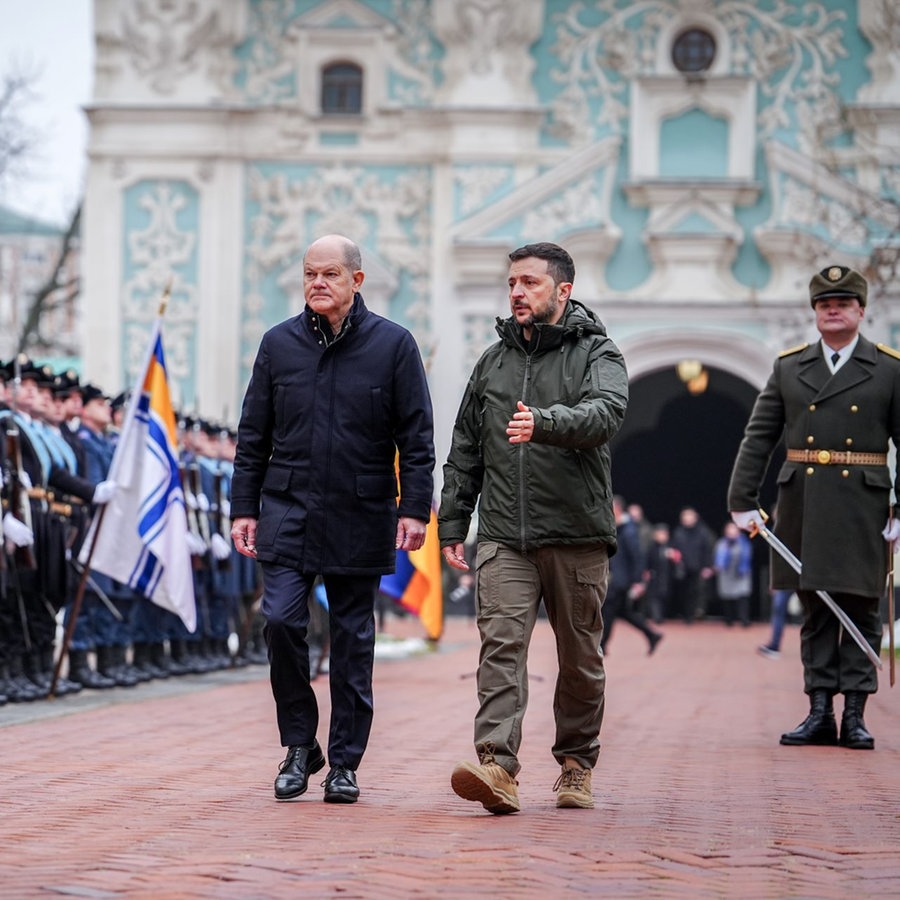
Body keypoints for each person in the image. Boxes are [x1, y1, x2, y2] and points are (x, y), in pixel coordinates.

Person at [230, 234, 435, 803]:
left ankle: (344, 763)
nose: (317, 283)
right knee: (281, 622)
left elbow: (416, 437)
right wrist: (243, 507)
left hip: (361, 510)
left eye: (330, 275)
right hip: (288, 508)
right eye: (309, 275)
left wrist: (415, 507)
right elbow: (254, 437)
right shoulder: (278, 345)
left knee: (352, 641)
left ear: (356, 281)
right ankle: (300, 744)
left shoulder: (394, 346)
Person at [439, 241, 628, 814]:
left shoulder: (598, 351)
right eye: (512, 283)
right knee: (501, 648)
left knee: (579, 659)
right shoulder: (492, 362)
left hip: (576, 534)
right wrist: (453, 520)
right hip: (503, 534)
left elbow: (608, 412)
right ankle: (497, 766)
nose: (517, 293)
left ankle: (576, 764)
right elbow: (466, 447)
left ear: (562, 290)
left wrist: (544, 422)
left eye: (530, 283)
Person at [728, 264, 899, 750]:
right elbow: (759, 436)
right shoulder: (790, 367)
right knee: (817, 608)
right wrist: (741, 500)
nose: (833, 310)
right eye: (825, 305)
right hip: (804, 501)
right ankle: (820, 710)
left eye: (842, 304)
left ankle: (856, 717)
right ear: (816, 313)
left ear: (861, 311)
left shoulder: (889, 369)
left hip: (864, 506)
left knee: (863, 608)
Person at [601, 496, 663, 655]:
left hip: (621, 581)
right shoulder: (619, 529)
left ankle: (601, 646)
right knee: (623, 612)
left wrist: (637, 580)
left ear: (618, 510)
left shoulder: (628, 531)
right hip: (619, 578)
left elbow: (638, 556)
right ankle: (652, 635)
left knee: (608, 611)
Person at [670, 506, 715, 623]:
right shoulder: (678, 533)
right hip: (683, 569)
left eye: (689, 516)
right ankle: (686, 615)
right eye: (685, 516)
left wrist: (707, 566)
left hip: (699, 568)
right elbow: (674, 549)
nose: (687, 519)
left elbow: (707, 550)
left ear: (695, 518)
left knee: (699, 593)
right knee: (684, 594)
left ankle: (699, 613)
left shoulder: (703, 532)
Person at [713, 522, 753, 627]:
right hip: (726, 574)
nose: (732, 531)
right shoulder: (721, 544)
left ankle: (744, 619)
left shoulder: (744, 543)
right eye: (729, 529)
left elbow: (747, 556)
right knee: (727, 597)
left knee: (742, 596)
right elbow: (718, 559)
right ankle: (729, 620)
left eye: (734, 529)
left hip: (741, 573)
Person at [644, 522, 681, 623]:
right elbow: (647, 561)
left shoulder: (671, 546)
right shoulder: (651, 547)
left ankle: (665, 615)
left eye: (664, 534)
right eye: (659, 534)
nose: (661, 536)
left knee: (666, 597)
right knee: (654, 598)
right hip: (655, 577)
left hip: (668, 578)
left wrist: (673, 557)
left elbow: (679, 561)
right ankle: (657, 616)